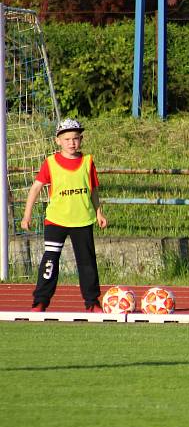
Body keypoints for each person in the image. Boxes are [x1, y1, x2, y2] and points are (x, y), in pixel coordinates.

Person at [20, 118, 108, 312]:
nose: (71, 143)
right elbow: (35, 188)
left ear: (81, 139)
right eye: (67, 139)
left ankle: (92, 302)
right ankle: (40, 301)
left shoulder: (87, 162)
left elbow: (93, 190)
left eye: (75, 138)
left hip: (82, 220)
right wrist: (27, 215)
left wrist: (99, 213)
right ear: (58, 141)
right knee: (50, 261)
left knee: (87, 263)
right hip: (56, 221)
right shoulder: (50, 163)